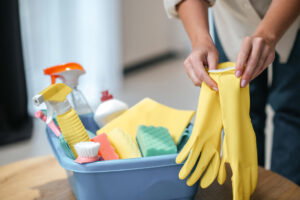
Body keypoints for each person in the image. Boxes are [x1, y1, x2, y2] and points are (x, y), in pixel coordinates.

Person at [164, 0, 300, 184]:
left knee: (292, 110)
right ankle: (247, 187)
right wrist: (200, 40)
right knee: (238, 114)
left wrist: (268, 34)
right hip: (232, 20)